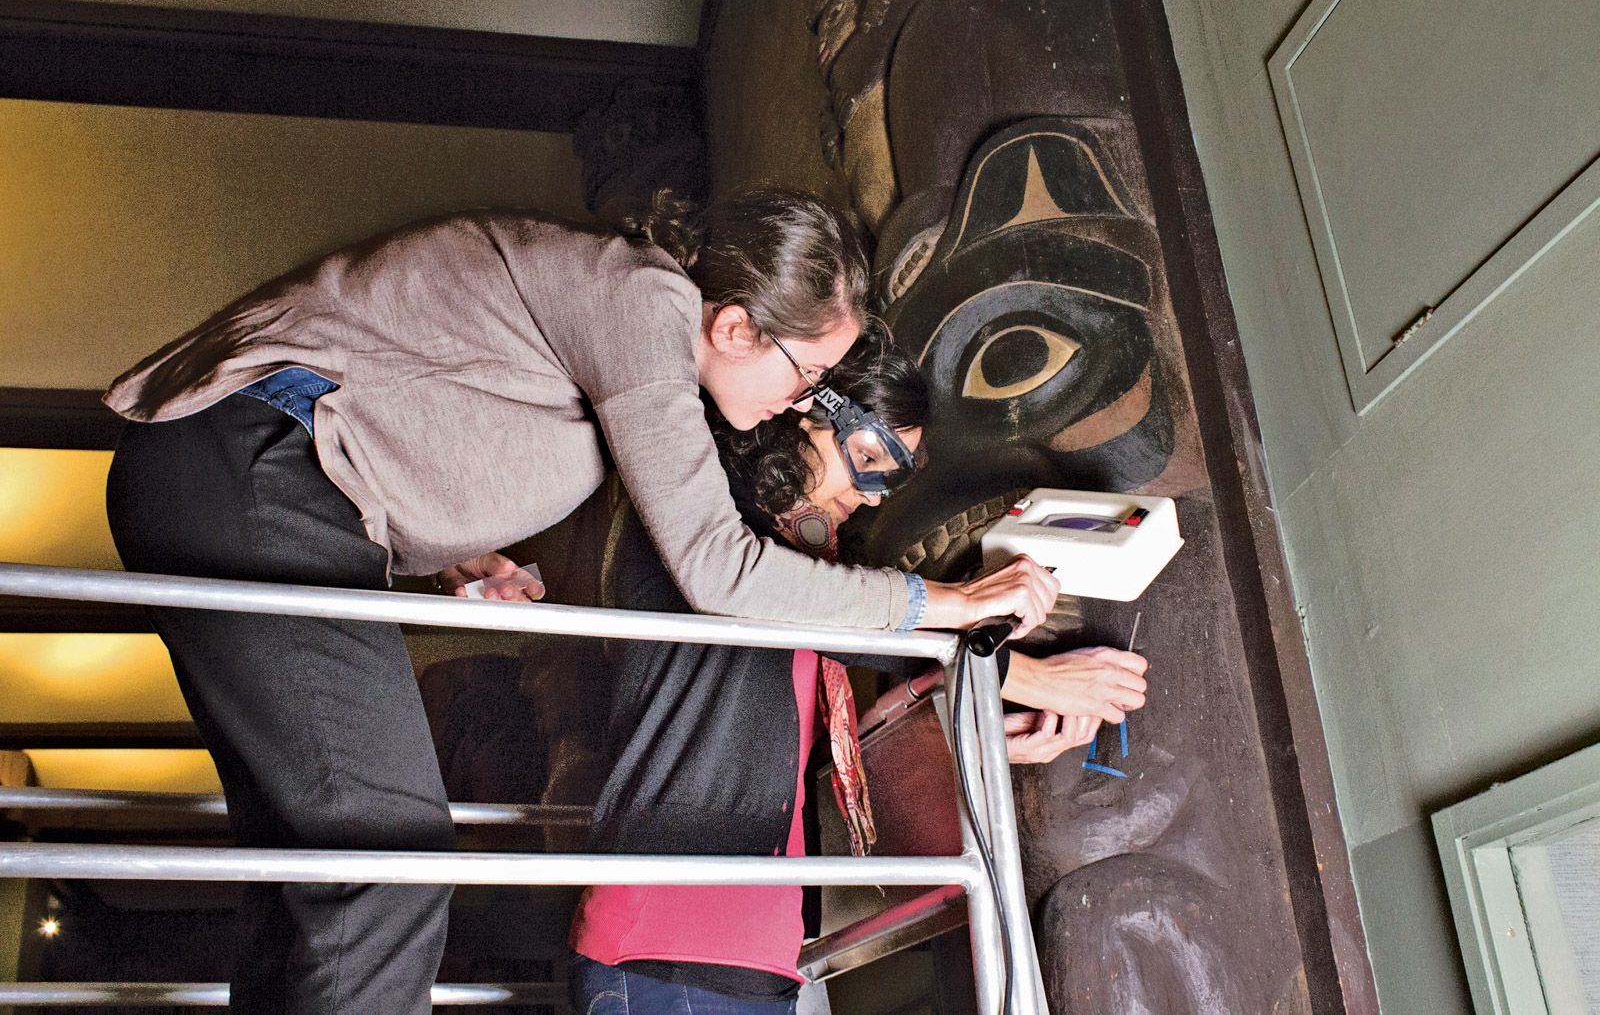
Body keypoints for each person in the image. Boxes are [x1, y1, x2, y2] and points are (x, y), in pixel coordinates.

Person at [101, 190, 1058, 1014]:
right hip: (250, 470)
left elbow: (415, 387)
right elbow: (719, 569)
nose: (799, 399)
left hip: (260, 483)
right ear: (737, 329)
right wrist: (952, 600)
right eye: (806, 376)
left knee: (312, 870)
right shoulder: (642, 301)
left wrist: (456, 555)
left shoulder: (622, 327)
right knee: (390, 854)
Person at [571, 333, 1149, 1014]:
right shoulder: (710, 524)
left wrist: (964, 717)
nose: (873, 495)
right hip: (672, 942)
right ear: (798, 408)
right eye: (868, 458)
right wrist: (1016, 672)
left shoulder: (801, 580)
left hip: (753, 954)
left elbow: (808, 732)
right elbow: (830, 616)